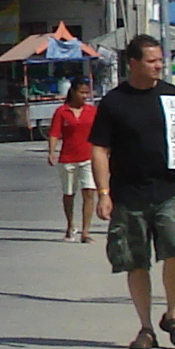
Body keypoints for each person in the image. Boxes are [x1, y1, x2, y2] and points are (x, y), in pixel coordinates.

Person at [88, 33, 175, 349]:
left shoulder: (174, 97)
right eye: (151, 61)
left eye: (160, 60)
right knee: (136, 261)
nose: (158, 66)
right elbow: (99, 149)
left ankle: (173, 316)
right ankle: (146, 328)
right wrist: (104, 193)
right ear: (133, 63)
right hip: (129, 194)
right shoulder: (114, 102)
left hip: (169, 189)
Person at [44, 77, 99, 242]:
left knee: (89, 192)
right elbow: (54, 133)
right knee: (69, 194)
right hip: (67, 158)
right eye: (82, 92)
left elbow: (100, 132)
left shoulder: (92, 111)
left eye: (87, 93)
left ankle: (86, 231)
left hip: (88, 157)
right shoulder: (62, 112)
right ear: (73, 92)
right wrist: (51, 152)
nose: (85, 96)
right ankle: (70, 225)